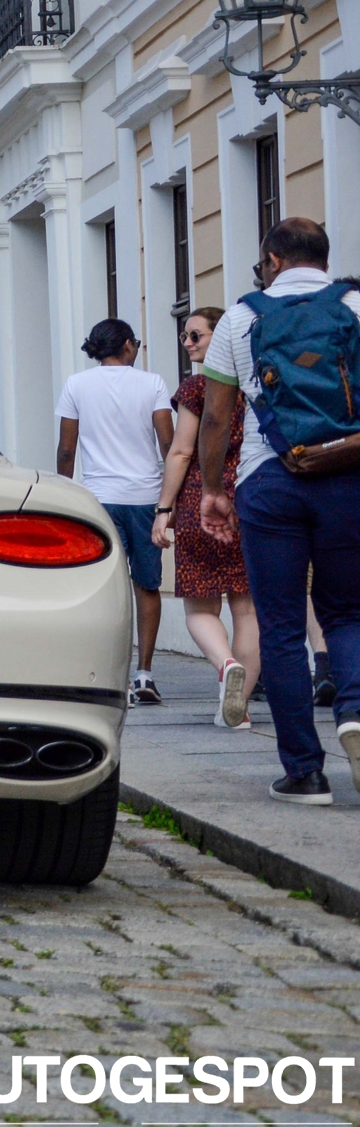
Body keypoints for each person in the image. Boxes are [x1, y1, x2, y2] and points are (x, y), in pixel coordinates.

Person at [198, 219, 360, 806]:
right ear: (324, 257)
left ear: (270, 260)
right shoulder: (356, 305)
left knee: (284, 626)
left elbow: (217, 417)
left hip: (269, 481)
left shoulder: (240, 320)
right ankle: (356, 715)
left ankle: (304, 772)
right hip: (349, 477)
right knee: (347, 612)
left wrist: (213, 489)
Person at [57, 319, 176, 706]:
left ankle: (112, 677)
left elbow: (66, 449)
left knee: (107, 589)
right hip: (144, 497)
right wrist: (170, 497)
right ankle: (145, 674)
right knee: (147, 585)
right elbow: (167, 442)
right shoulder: (153, 383)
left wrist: (66, 493)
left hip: (99, 499)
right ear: (127, 345)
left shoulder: (77, 384)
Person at [153, 308, 256, 728]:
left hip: (203, 496)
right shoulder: (255, 386)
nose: (189, 342)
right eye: (184, 336)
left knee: (199, 608)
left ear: (221, 337)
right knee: (248, 609)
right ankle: (238, 706)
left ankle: (225, 664)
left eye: (197, 334)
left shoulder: (197, 388)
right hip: (250, 495)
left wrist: (164, 509)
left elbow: (180, 451)